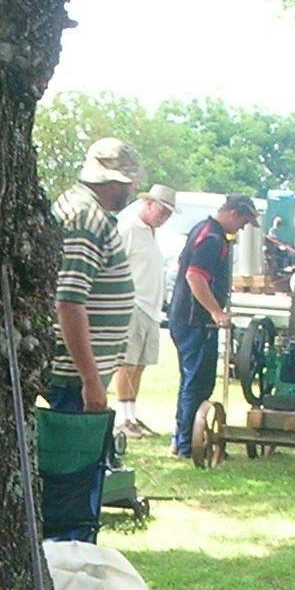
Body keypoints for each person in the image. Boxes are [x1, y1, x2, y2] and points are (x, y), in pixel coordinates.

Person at [50, 138, 139, 416]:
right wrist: (90, 379)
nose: (132, 189)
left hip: (77, 374)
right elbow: (69, 302)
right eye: (129, 182)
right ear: (113, 183)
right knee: (77, 444)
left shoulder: (82, 208)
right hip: (73, 378)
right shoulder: (85, 218)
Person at [168, 191, 257, 456]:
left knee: (191, 381)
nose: (242, 228)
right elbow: (195, 277)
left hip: (187, 318)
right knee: (197, 383)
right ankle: (188, 445)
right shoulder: (212, 238)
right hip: (195, 321)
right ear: (233, 213)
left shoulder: (204, 229)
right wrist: (216, 312)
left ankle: (182, 439)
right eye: (243, 222)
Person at [117, 183, 176, 439]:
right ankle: (121, 418)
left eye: (169, 214)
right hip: (133, 303)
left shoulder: (150, 232)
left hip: (151, 307)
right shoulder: (129, 227)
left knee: (140, 365)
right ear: (148, 203)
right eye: (162, 211)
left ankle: (131, 415)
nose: (165, 218)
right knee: (127, 363)